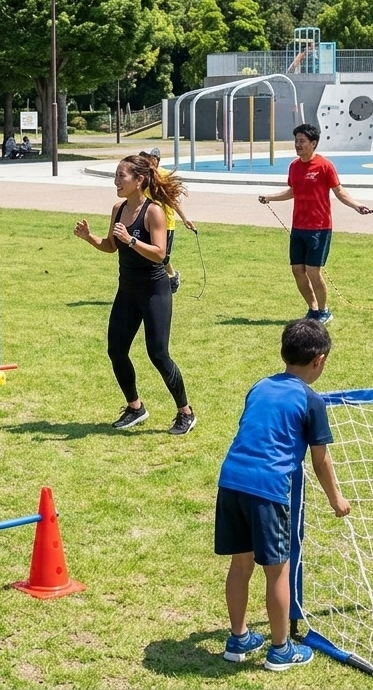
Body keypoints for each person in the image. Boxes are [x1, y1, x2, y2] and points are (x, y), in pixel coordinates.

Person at [214, 319, 350, 667]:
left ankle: (239, 639)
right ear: (319, 360)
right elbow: (320, 461)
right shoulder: (311, 400)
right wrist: (337, 500)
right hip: (268, 488)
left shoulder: (259, 386)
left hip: (231, 480)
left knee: (241, 564)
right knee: (277, 570)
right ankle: (280, 649)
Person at [73, 155, 196, 434]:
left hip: (154, 290)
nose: (116, 181)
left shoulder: (153, 212)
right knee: (116, 350)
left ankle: (185, 412)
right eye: (115, 175)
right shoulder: (118, 209)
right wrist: (89, 237)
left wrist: (131, 239)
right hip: (127, 290)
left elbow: (160, 253)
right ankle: (135, 407)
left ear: (138, 180)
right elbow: (110, 246)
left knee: (158, 354)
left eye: (121, 176)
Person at [258, 123, 373, 324]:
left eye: (302, 141)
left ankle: (324, 311)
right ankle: (312, 310)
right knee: (297, 270)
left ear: (313, 143)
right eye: (296, 141)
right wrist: (269, 197)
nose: (298, 145)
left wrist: (356, 205)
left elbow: (339, 191)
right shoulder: (294, 166)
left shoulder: (325, 166)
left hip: (319, 228)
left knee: (313, 271)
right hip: (298, 228)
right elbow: (292, 191)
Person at [142, 147, 196, 294]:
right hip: (148, 222)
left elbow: (173, 200)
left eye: (148, 157)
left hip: (166, 222)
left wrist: (184, 218)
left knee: (162, 257)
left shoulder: (164, 175)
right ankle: (154, 284)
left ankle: (172, 276)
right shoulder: (143, 175)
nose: (145, 160)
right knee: (148, 254)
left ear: (155, 159)